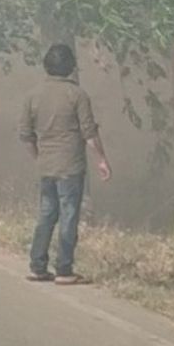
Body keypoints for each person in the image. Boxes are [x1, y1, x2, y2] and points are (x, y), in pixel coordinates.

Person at [19, 43, 112, 285]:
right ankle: (64, 269)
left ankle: (37, 266)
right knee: (69, 215)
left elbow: (26, 136)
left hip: (46, 166)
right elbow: (89, 134)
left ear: (46, 66)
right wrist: (102, 160)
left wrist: (38, 158)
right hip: (71, 167)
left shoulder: (32, 96)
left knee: (46, 214)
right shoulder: (77, 95)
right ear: (71, 67)